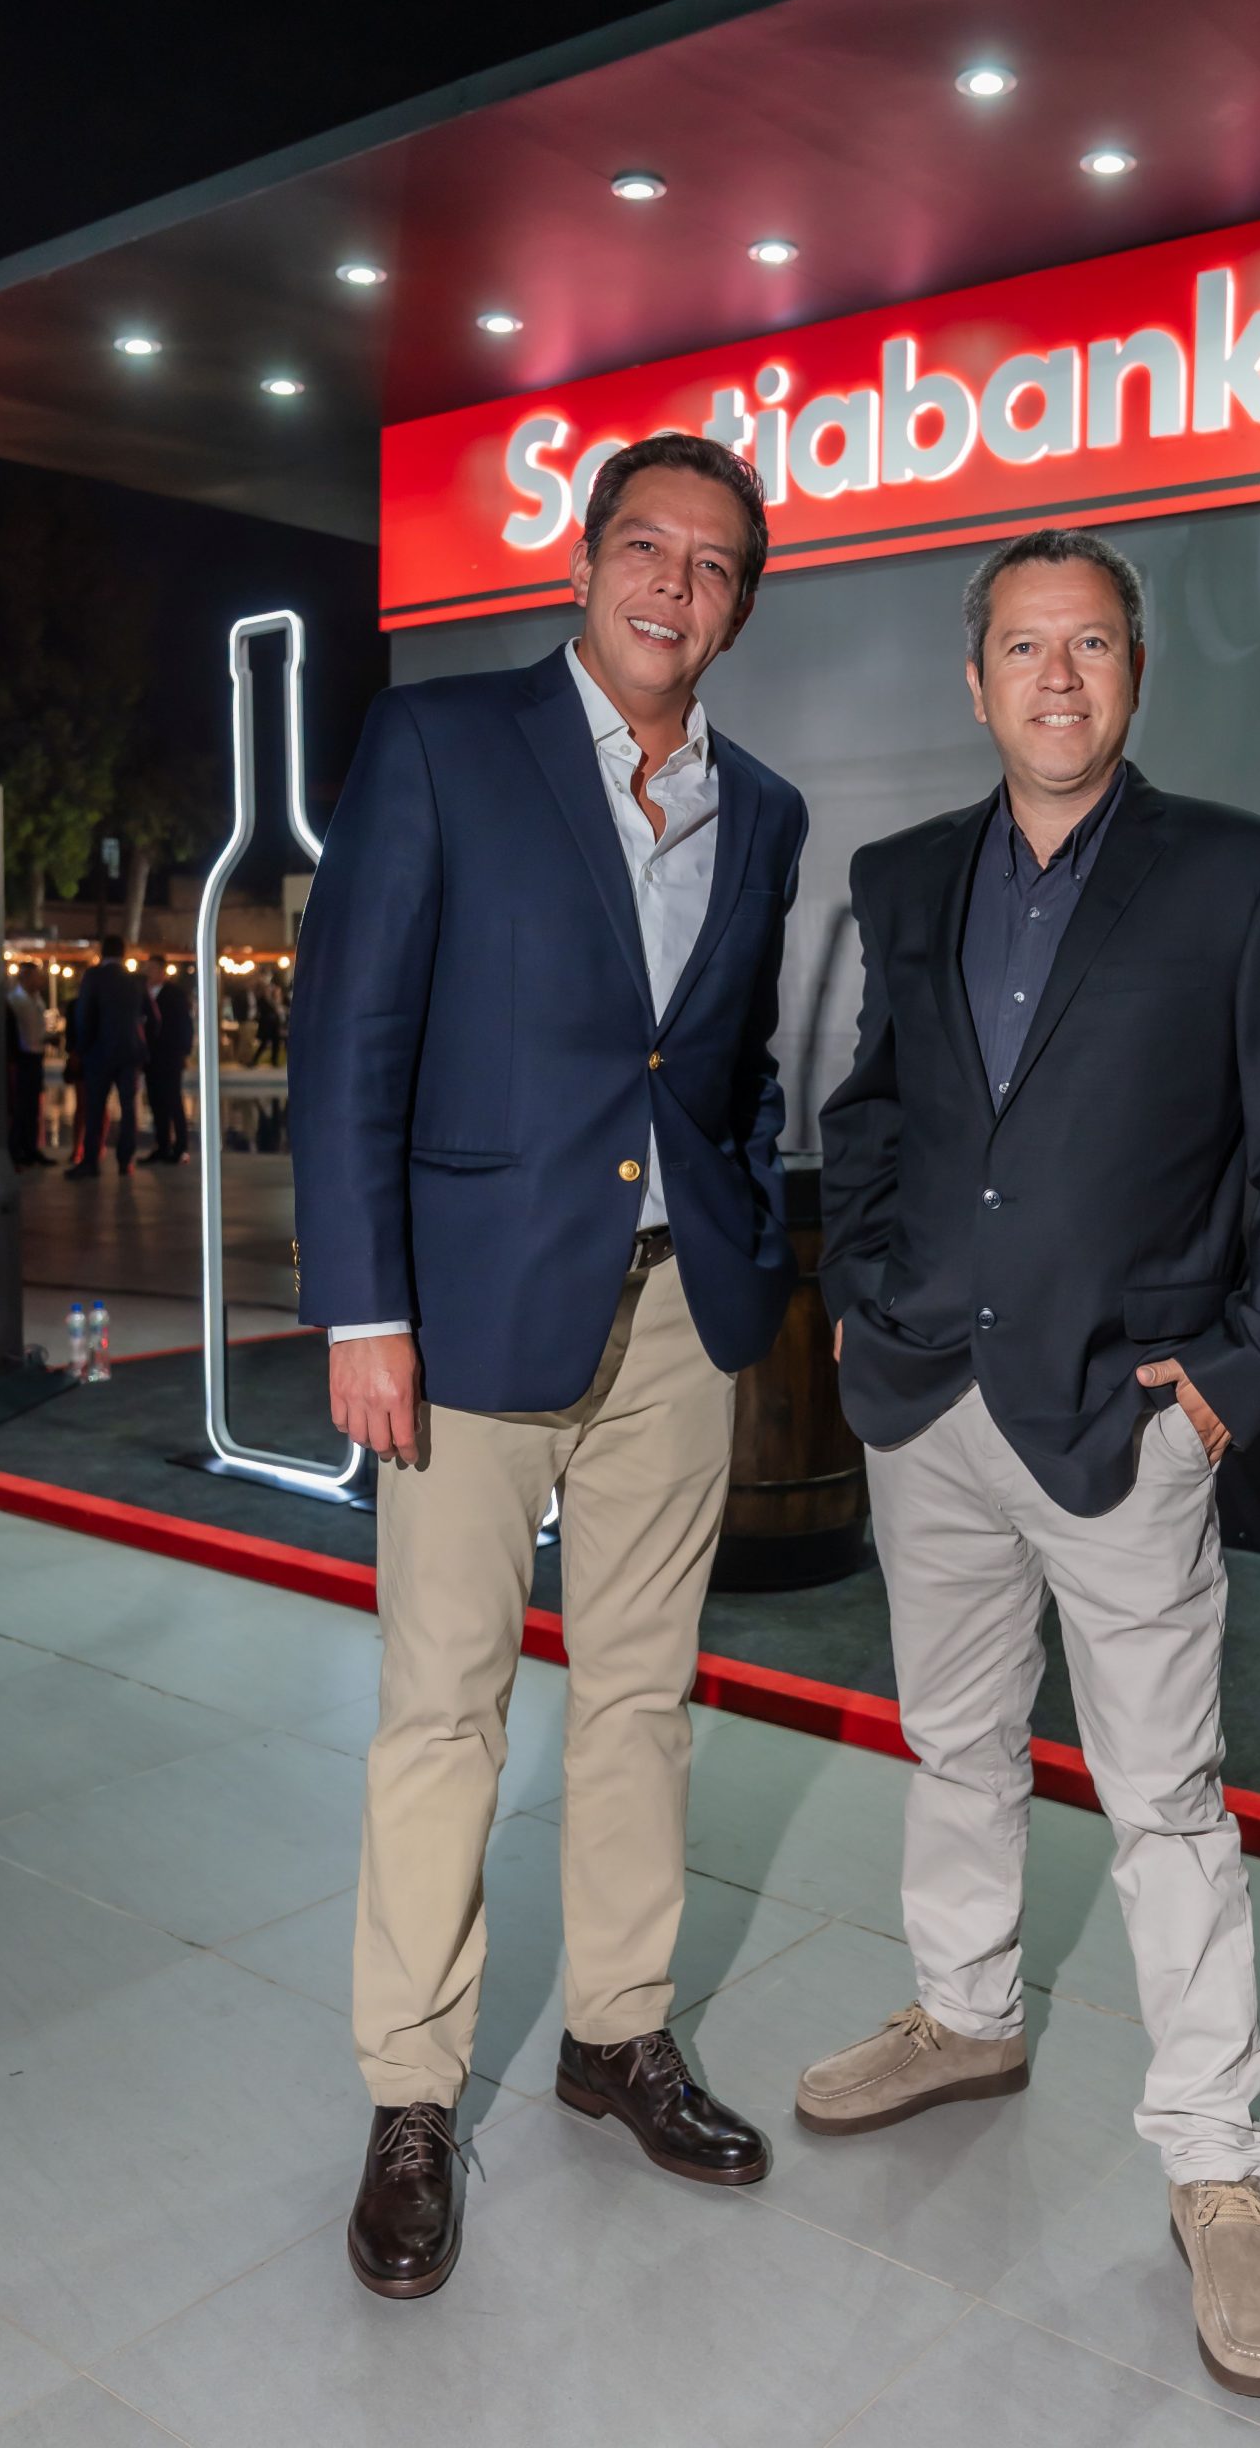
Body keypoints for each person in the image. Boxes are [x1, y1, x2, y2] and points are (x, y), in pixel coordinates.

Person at [802, 527, 1260, 2405]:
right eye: (1024, 648)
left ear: (1136, 671)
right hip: (927, 1403)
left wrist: (1236, 1377)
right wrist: (861, 1295)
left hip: (1125, 1423)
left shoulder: (1241, 876)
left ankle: (1215, 2168)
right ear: (972, 682)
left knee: (1164, 1802)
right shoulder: (902, 876)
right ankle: (965, 2014)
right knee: (953, 1742)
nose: (1057, 678)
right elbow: (868, 1112)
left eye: (1092, 645)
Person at [288, 433, 807, 2302]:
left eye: (713, 565)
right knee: (445, 1713)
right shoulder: (442, 743)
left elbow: (726, 1065)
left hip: (676, 1315)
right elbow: (351, 1028)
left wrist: (745, 1234)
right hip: (468, 1311)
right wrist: (364, 1310)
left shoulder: (763, 810)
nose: (675, 585)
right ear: (583, 566)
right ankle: (412, 2096)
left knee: (643, 1696)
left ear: (738, 609)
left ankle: (615, 2032)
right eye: (647, 548)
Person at [65, 934, 148, 1179]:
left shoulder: (93, 977)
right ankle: (125, 1160)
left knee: (95, 1107)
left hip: (99, 1053)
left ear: (101, 953)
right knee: (128, 1108)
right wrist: (142, 1045)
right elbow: (152, 1018)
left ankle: (91, 1161)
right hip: (129, 1053)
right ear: (124, 954)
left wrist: (80, 1049)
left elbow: (84, 1016)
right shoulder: (136, 980)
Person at [140, 958, 194, 1163]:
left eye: (152, 969)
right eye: (147, 969)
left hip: (170, 1055)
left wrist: (183, 1052)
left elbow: (185, 1024)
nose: (148, 973)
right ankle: (162, 1145)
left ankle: (180, 1147)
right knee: (155, 1101)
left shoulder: (174, 994)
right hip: (151, 1057)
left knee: (172, 1100)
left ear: (163, 971)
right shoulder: (144, 993)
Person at [6, 964, 52, 1166]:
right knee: (21, 1106)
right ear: (26, 978)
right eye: (37, 977)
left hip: (35, 1056)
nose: (40, 980)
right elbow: (24, 1034)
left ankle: (30, 1148)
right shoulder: (16, 1001)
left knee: (32, 1106)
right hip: (24, 1059)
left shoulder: (35, 999)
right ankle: (17, 1148)